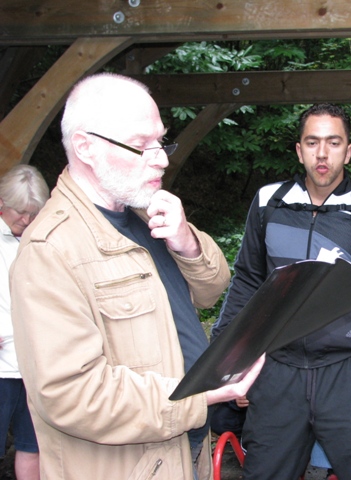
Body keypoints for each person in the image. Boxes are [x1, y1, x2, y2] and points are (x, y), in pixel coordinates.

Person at [9, 73, 264, 480]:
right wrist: (202, 395)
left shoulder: (143, 211)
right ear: (85, 148)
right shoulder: (50, 249)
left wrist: (187, 244)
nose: (161, 158)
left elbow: (212, 289)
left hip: (183, 449)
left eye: (161, 141)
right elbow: (71, 394)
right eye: (142, 145)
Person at [211, 103, 351, 480]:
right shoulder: (269, 204)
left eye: (333, 143)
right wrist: (226, 364)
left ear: (348, 151)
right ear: (299, 150)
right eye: (312, 142)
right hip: (278, 372)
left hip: (349, 375)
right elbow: (247, 282)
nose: (322, 153)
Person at [0, 165, 49, 480]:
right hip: (1, 370)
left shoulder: (42, 238)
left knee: (34, 446)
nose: (27, 220)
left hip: (36, 365)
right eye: (21, 212)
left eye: (34, 213)